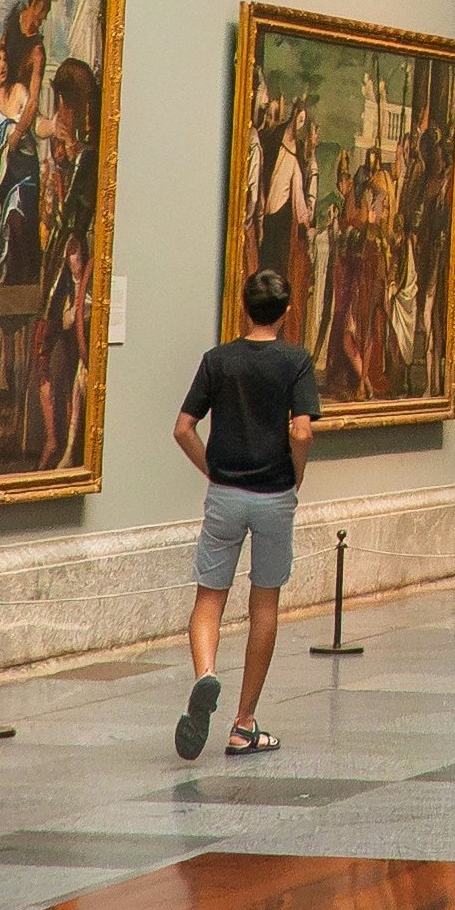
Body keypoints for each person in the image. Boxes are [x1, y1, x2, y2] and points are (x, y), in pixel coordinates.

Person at [176, 268, 316, 761]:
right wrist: (295, 474)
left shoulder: (218, 360)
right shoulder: (295, 360)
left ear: (243, 308)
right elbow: (301, 432)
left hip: (225, 494)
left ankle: (206, 674)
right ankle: (244, 723)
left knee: (209, 598)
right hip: (273, 495)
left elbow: (183, 428)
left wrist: (212, 467)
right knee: (265, 605)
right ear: (286, 310)